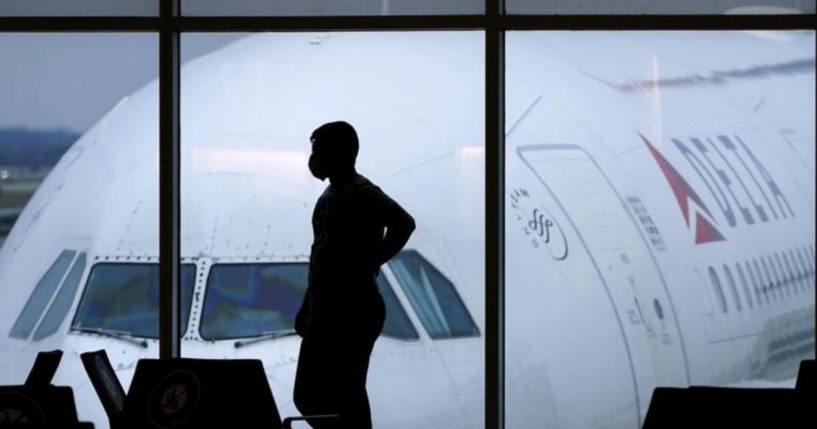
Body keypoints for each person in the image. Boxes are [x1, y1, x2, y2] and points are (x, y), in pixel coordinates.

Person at [293, 121, 415, 429]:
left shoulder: (362, 193)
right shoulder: (331, 195)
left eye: (319, 150)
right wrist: (308, 304)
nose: (315, 157)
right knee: (309, 395)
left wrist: (372, 262)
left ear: (342, 152)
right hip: (328, 310)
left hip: (354, 309)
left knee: (346, 392)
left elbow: (404, 223)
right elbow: (320, 255)